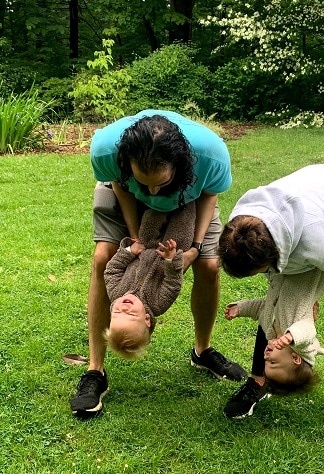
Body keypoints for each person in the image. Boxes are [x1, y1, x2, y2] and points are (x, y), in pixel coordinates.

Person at [70, 110, 246, 418]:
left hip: (190, 204)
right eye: (145, 182)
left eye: (159, 183)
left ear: (180, 166)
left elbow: (208, 197)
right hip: (124, 196)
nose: (152, 194)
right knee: (102, 258)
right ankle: (95, 371)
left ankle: (202, 351)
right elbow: (121, 188)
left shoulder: (211, 156)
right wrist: (136, 238)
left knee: (208, 267)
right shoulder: (106, 149)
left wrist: (195, 248)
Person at [218, 163, 324, 445]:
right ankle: (258, 381)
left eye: (262, 270)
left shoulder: (312, 239)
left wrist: (314, 292)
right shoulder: (241, 222)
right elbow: (269, 304)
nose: (265, 275)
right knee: (276, 303)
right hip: (316, 200)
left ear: (273, 255)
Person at [223, 230, 324, 397]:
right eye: (273, 361)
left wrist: (240, 308)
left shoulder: (269, 329)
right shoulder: (297, 337)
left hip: (290, 261)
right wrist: (291, 336)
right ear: (295, 358)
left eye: (265, 361)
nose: (266, 355)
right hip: (312, 262)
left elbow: (261, 308)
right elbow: (308, 328)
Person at [104, 202, 195, 360]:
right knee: (182, 227)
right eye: (131, 314)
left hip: (144, 246)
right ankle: (187, 199)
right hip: (168, 253)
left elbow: (112, 270)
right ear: (147, 319)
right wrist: (170, 260)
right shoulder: (157, 304)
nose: (123, 307)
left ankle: (160, 200)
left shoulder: (115, 292)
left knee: (150, 221)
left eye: (117, 312)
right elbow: (172, 284)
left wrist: (128, 252)